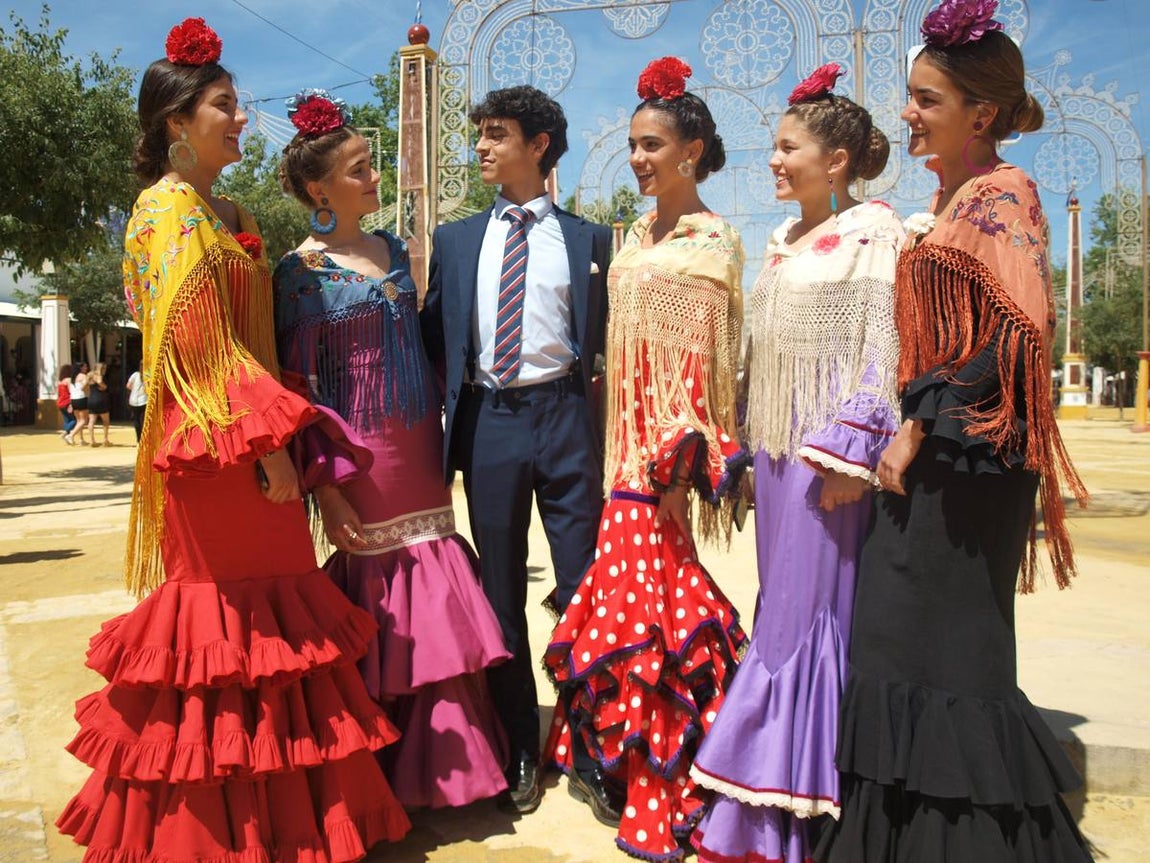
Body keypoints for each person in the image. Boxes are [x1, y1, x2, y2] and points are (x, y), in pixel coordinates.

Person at [55, 19, 410, 862]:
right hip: (212, 449)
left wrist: (288, 441)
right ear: (176, 122)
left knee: (278, 627)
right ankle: (206, 833)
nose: (243, 119)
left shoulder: (235, 210)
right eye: (224, 106)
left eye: (237, 104)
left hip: (257, 436)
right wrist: (265, 449)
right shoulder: (163, 210)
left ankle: (288, 823)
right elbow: (194, 350)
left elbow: (251, 345)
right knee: (217, 632)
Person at [817, 2, 1092, 860]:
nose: (907, 113)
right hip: (938, 460)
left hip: (968, 464)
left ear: (981, 113)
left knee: (953, 657)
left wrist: (915, 428)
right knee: (896, 645)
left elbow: (1016, 334)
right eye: (910, 96)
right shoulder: (950, 201)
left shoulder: (1005, 195)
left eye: (925, 99)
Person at [273, 88, 511, 809]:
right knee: (383, 590)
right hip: (360, 454)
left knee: (436, 579)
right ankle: (383, 776)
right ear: (319, 188)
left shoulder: (396, 250)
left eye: (372, 164)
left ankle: (455, 767)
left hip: (418, 445)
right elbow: (299, 388)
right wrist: (326, 483)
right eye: (358, 169)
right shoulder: (297, 272)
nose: (375, 177)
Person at [688, 66, 903, 863]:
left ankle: (782, 817)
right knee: (777, 606)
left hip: (827, 464)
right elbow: (757, 356)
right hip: (778, 459)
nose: (773, 161)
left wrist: (853, 450)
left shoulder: (877, 232)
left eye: (788, 147)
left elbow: (882, 351)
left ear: (837, 159)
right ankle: (770, 800)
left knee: (806, 623)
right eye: (774, 148)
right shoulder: (782, 241)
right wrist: (744, 448)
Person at [542, 57, 748, 861]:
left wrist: (676, 468)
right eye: (632, 144)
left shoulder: (712, 237)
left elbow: (704, 368)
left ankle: (670, 792)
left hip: (658, 463)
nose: (638, 158)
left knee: (656, 619)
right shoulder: (638, 233)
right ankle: (645, 777)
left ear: (692, 150)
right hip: (618, 456)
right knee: (638, 612)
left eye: (653, 144)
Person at [420, 84, 611, 816]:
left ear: (538, 145)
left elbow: (604, 341)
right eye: (480, 135)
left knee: (582, 588)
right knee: (498, 591)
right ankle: (520, 745)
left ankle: (588, 748)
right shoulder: (458, 239)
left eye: (497, 135)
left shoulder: (592, 239)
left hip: (566, 416)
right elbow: (436, 340)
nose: (482, 147)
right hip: (489, 422)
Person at [85, 361, 112, 446]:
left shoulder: (89, 376)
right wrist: (104, 386)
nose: (105, 370)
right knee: (106, 421)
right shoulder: (98, 375)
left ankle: (92, 440)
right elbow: (100, 382)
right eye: (104, 368)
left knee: (91, 420)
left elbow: (83, 387)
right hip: (100, 399)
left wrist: (88, 393)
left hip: (91, 399)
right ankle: (105, 440)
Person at [125, 361, 147, 443]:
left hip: (134, 400)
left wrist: (134, 390)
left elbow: (128, 386)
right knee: (144, 420)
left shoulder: (135, 375)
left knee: (136, 420)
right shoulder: (148, 375)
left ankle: (138, 439)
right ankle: (144, 438)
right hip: (144, 400)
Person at [69, 361, 90, 445]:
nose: (86, 368)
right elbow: (83, 387)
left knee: (78, 421)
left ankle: (81, 439)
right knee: (83, 421)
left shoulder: (73, 378)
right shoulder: (83, 376)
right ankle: (71, 435)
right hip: (81, 398)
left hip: (74, 399)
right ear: (80, 368)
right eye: (84, 367)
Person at [57, 364, 77, 443]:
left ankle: (67, 436)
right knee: (75, 420)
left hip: (60, 402)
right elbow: (71, 392)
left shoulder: (59, 382)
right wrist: (71, 404)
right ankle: (65, 432)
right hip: (67, 401)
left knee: (67, 420)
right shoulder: (69, 380)